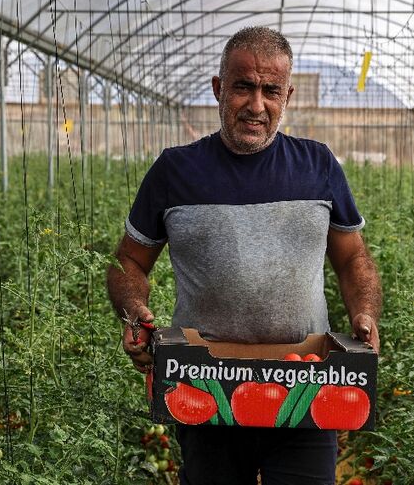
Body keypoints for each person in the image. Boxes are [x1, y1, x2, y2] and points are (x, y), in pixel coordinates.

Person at [106, 26, 382, 485]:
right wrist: (134, 312)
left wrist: (365, 314)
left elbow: (353, 259)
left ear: (287, 95)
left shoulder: (318, 166)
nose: (257, 105)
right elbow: (128, 263)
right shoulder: (175, 171)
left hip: (307, 387)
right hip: (205, 386)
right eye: (243, 87)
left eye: (271, 90)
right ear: (219, 88)